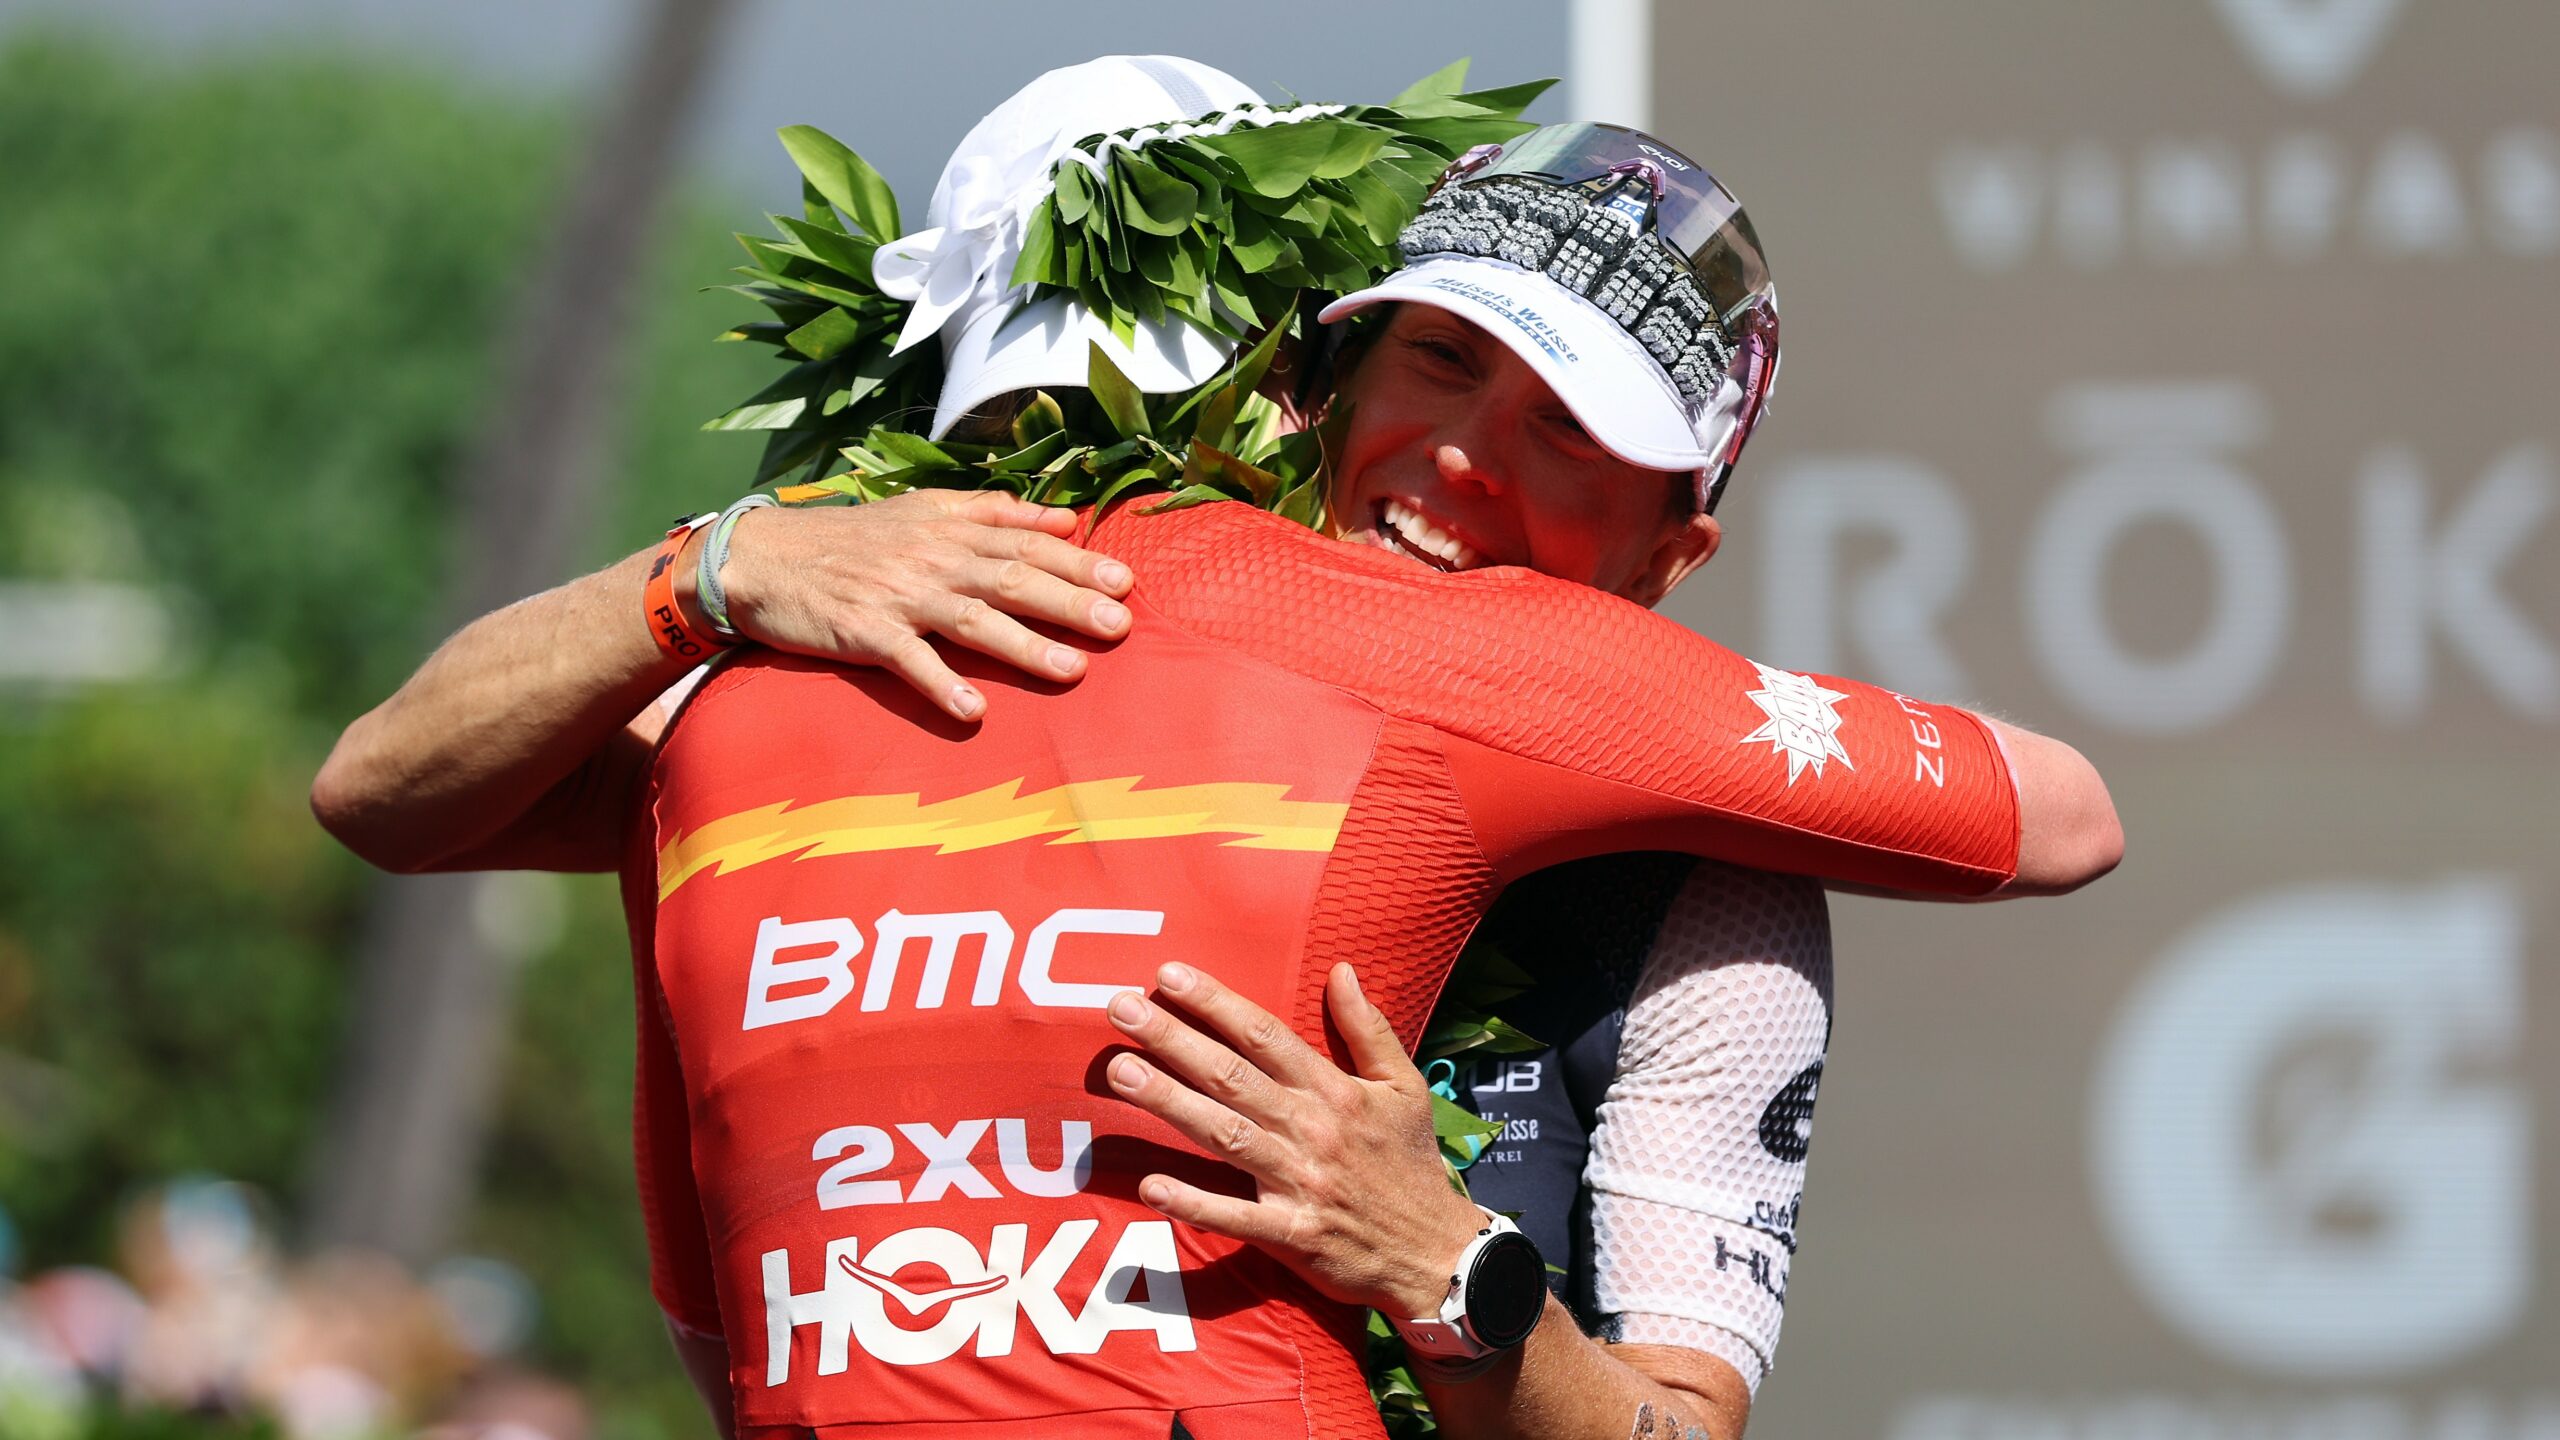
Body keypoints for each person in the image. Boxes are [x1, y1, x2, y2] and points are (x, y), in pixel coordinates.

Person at [315, 60, 2117, 1440]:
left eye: (1577, 433)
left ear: (1675, 550)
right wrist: (723, 564)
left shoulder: (1706, 866)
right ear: (1308, 386)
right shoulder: (894, 666)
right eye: (1438, 365)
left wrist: (1450, 1273)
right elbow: (394, 792)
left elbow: (1680, 1425)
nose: (1472, 461)